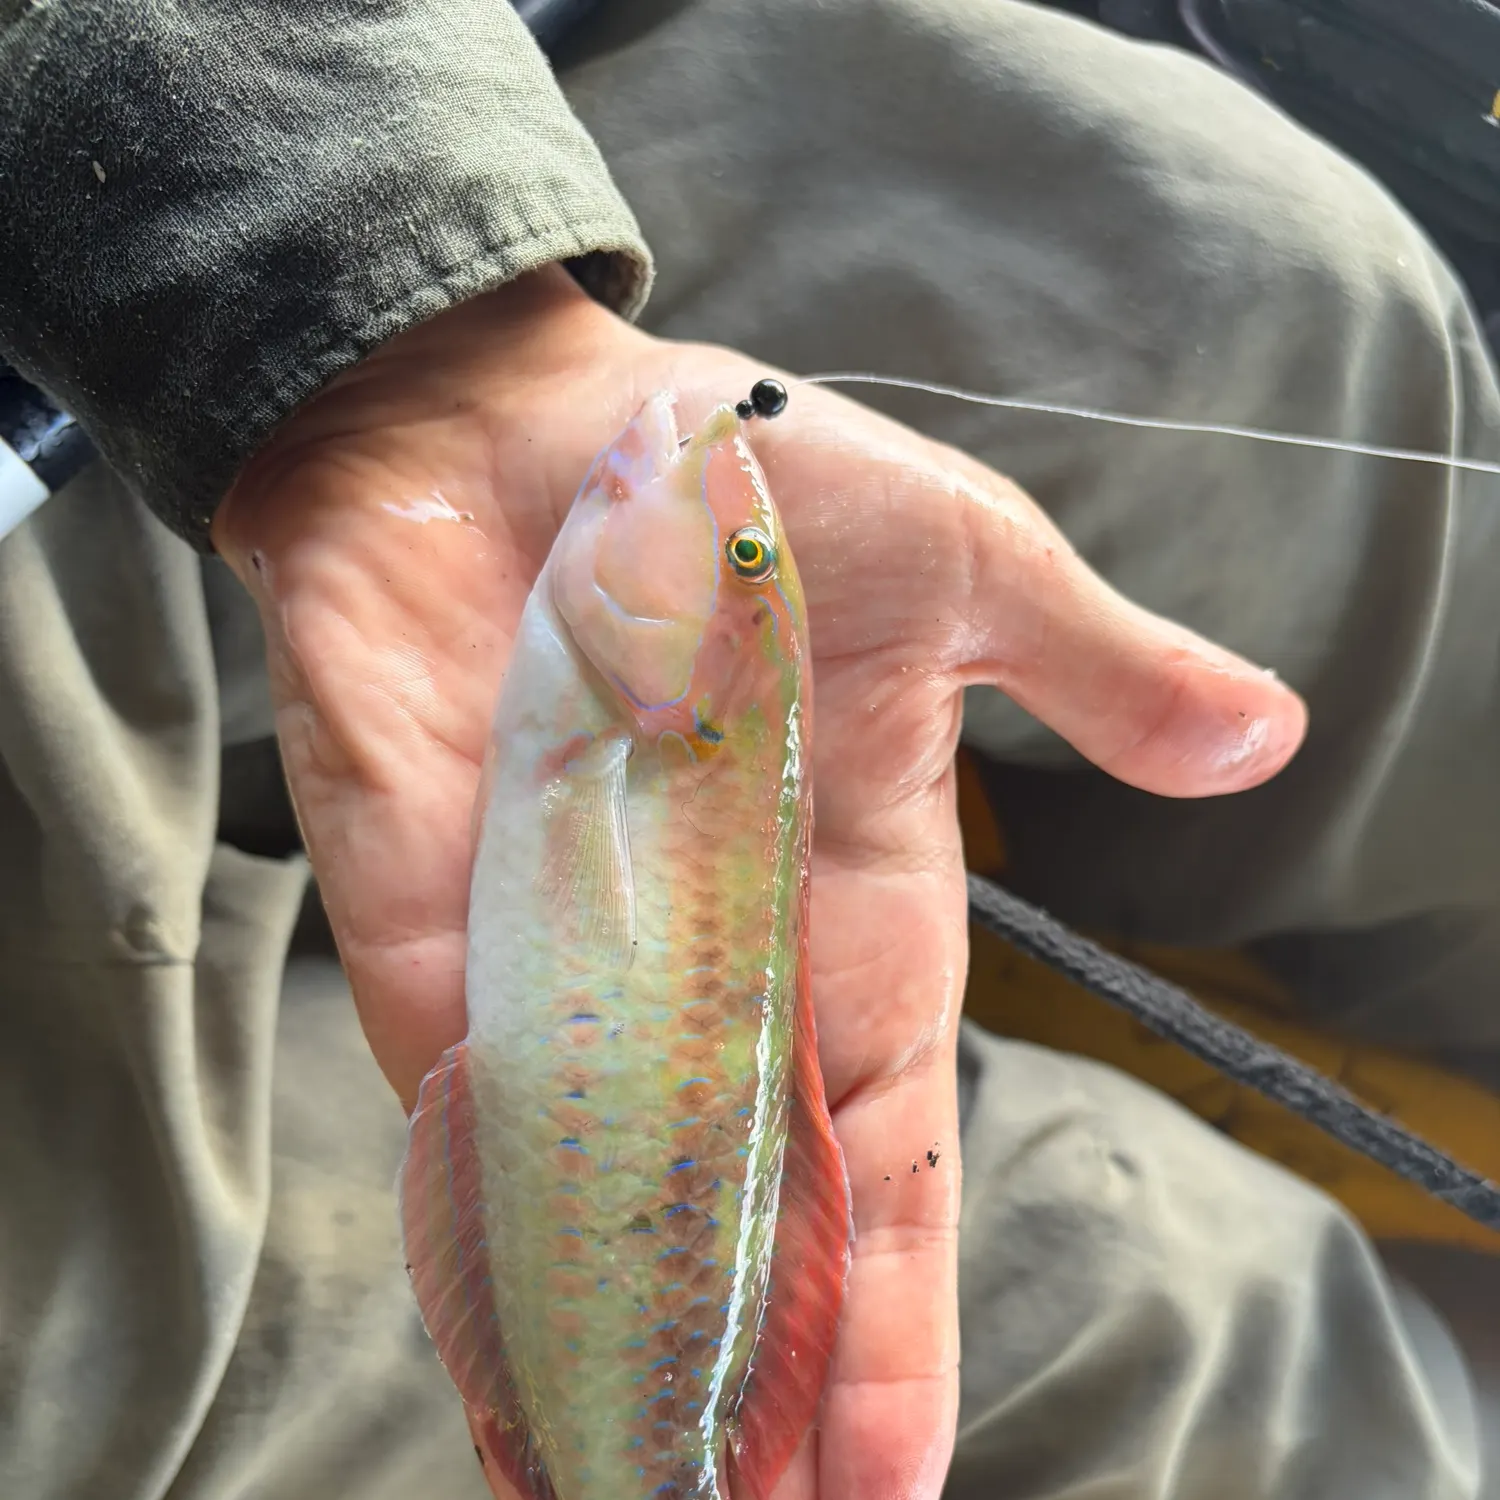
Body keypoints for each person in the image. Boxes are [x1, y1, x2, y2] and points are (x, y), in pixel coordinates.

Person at [0, 2, 1496, 1498]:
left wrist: (393, 341)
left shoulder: (642, 674)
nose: (732, 519)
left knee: (1314, 303)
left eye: (746, 565)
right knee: (1221, 1329)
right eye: (752, 572)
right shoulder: (645, 707)